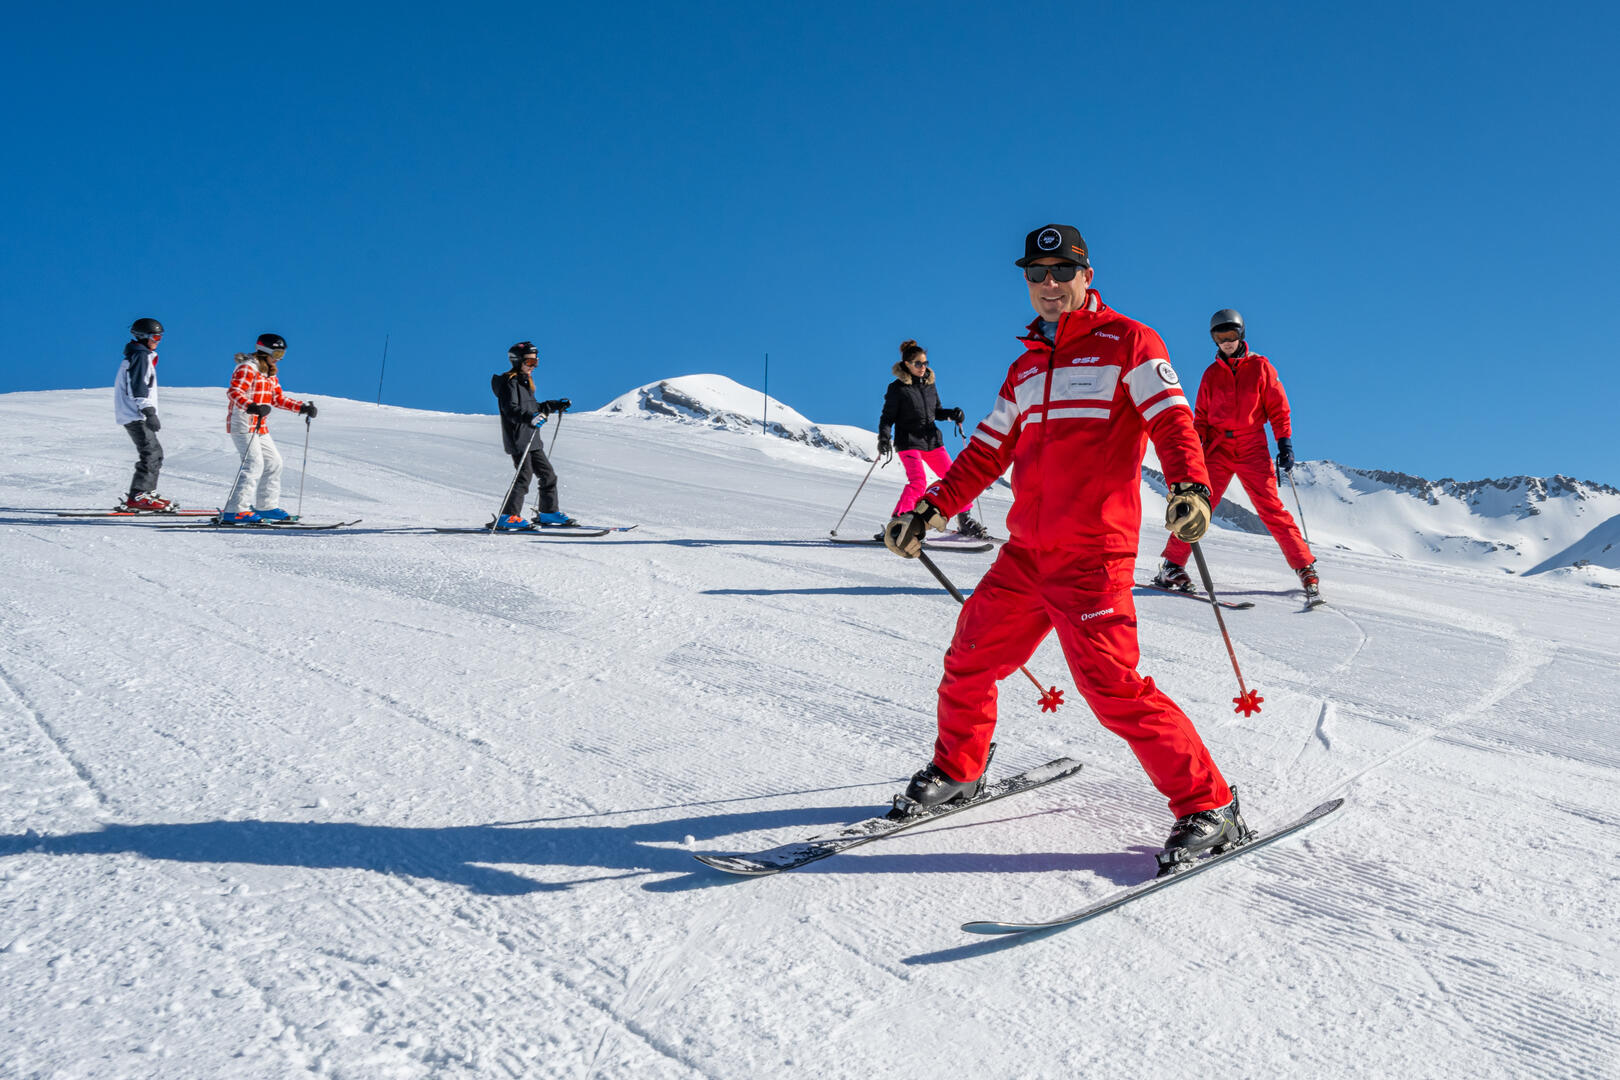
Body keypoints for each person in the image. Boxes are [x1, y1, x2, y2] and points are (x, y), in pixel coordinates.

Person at [882, 223, 1247, 871]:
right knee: (968, 658)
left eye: (1060, 273)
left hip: (1091, 557)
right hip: (1026, 556)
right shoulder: (1025, 366)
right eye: (1035, 275)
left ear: (1086, 274)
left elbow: (1171, 420)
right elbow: (988, 451)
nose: (1048, 286)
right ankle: (959, 770)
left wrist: (1189, 484)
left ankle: (1210, 807)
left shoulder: (1130, 343)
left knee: (1114, 688)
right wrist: (932, 506)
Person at [1150, 309, 1317, 599]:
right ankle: (1172, 565)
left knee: (1271, 509)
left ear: (1241, 335)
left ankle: (1305, 566)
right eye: (1220, 337)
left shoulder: (1261, 368)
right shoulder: (1211, 375)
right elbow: (1200, 417)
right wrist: (1196, 446)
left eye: (1231, 336)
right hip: (1218, 448)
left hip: (1252, 446)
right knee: (1198, 504)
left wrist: (1284, 443)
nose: (1226, 342)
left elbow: (1278, 409)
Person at [876, 339, 987, 540]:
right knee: (918, 481)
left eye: (925, 363)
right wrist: (884, 438)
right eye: (918, 364)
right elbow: (887, 418)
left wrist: (952, 414)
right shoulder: (897, 388)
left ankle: (965, 519)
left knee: (956, 479)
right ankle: (899, 523)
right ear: (907, 365)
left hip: (932, 441)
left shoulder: (929, 384)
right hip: (908, 441)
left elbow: (936, 411)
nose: (923, 367)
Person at [220, 333, 317, 524]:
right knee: (253, 464)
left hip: (259, 425)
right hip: (243, 421)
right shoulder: (247, 367)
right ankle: (236, 510)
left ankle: (266, 506)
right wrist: (250, 406)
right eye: (278, 353)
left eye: (283, 354)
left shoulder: (269, 373)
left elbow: (277, 399)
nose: (280, 358)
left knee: (274, 463)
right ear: (265, 351)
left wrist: (302, 408)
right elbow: (234, 391)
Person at [490, 341, 574, 530]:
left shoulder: (524, 382)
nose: (533, 366)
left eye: (535, 362)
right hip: (518, 438)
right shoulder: (509, 382)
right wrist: (530, 417)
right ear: (517, 361)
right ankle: (508, 516)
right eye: (529, 362)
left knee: (548, 475)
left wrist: (553, 405)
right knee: (524, 476)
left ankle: (548, 512)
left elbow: (533, 408)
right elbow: (510, 410)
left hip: (532, 438)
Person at [113, 317, 174, 511]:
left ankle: (145, 493)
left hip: (135, 412)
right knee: (151, 453)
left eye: (160, 337)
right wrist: (149, 411)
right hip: (136, 413)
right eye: (156, 336)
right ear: (142, 336)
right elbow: (138, 385)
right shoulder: (140, 356)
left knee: (154, 453)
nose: (158, 340)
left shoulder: (140, 355)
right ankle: (140, 495)